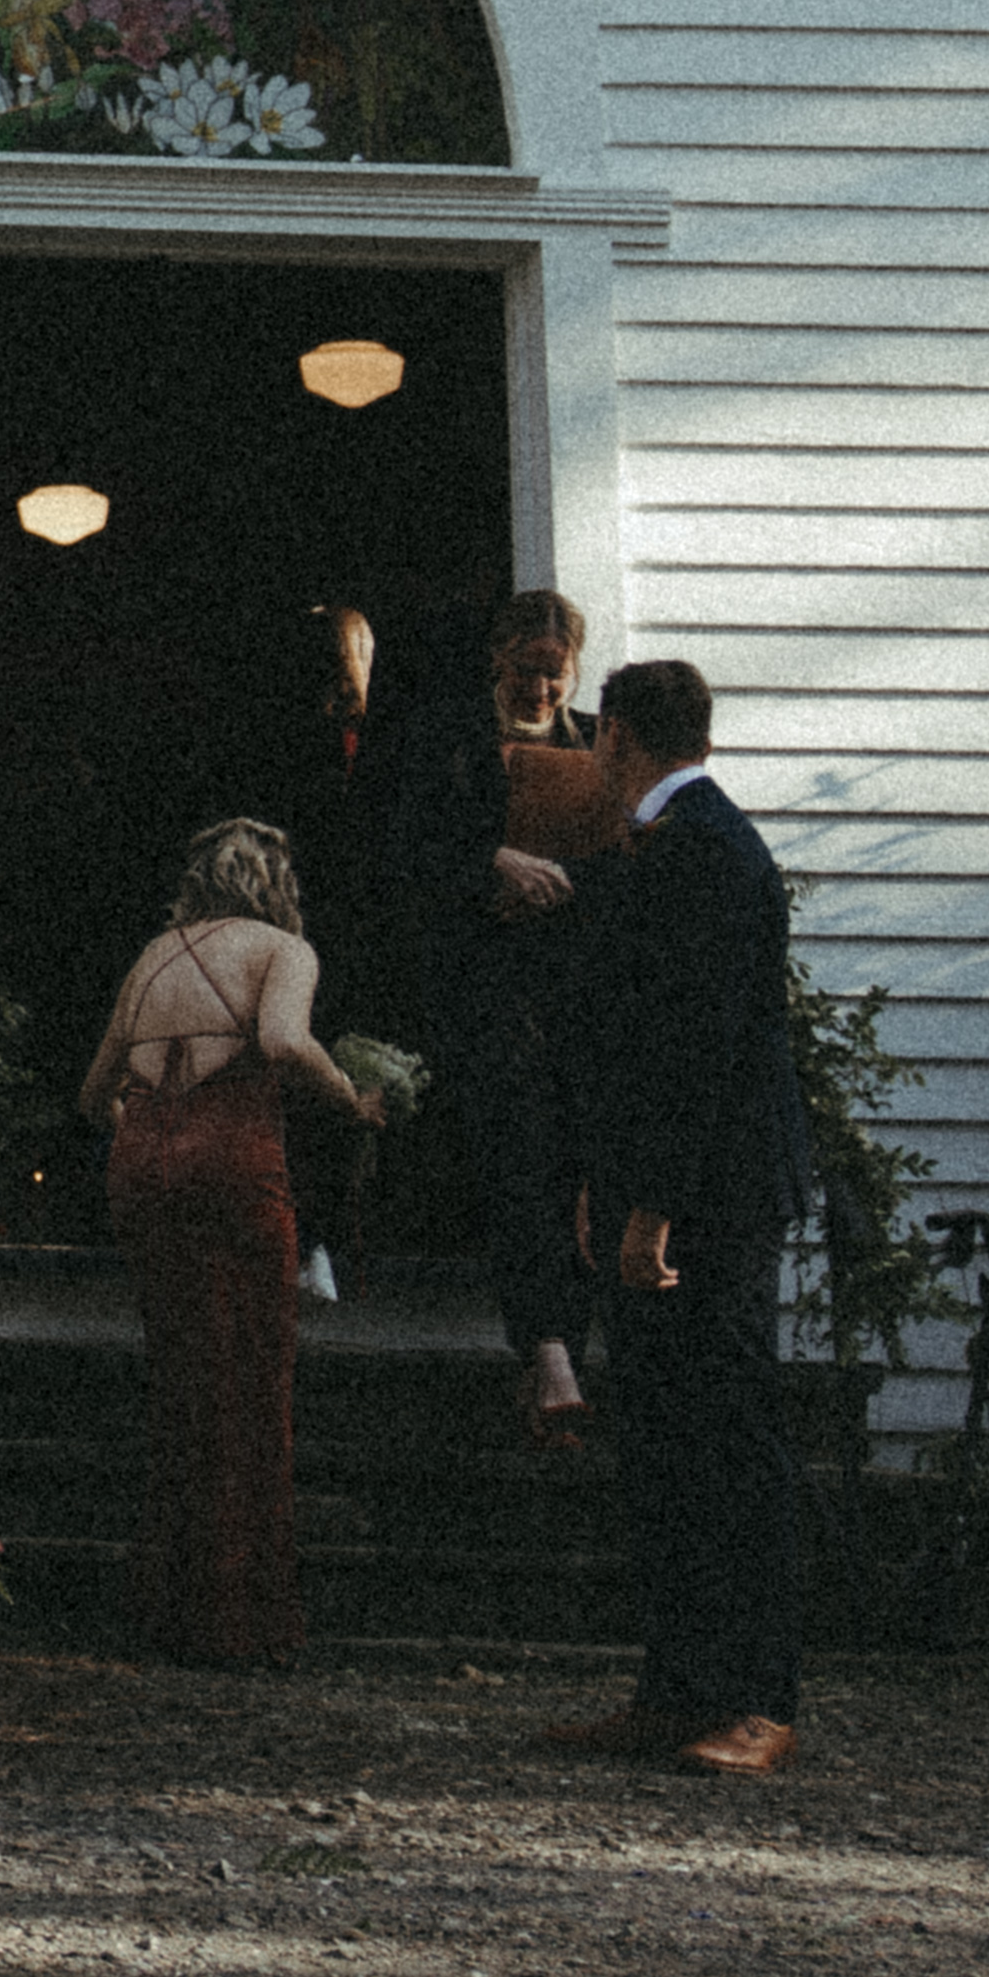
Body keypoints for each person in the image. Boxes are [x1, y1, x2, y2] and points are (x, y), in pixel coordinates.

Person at [569, 655, 811, 1777]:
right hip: (669, 1185)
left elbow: (695, 1048)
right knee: (662, 1440)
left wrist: (652, 1206)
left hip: (710, 1198)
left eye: (596, 738)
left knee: (724, 1436)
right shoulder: (674, 847)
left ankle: (759, 1699)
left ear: (619, 735)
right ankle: (676, 1687)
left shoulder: (704, 855)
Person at [77, 815, 376, 1670]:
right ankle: (242, 1624)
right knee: (251, 1381)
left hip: (143, 1165)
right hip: (232, 1159)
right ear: (277, 887)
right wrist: (350, 1096)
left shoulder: (152, 956)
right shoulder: (282, 950)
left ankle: (166, 1613)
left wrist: (151, 1127)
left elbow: (95, 1092)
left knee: (180, 1381)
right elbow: (283, 1042)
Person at [365, 591, 613, 1440]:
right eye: (527, 671)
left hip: (571, 987)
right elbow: (402, 852)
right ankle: (546, 1353)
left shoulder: (594, 743)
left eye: (556, 674)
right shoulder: (447, 737)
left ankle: (564, 1349)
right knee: (518, 1155)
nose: (542, 689)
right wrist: (490, 861)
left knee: (573, 1162)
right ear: (496, 661)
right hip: (482, 983)